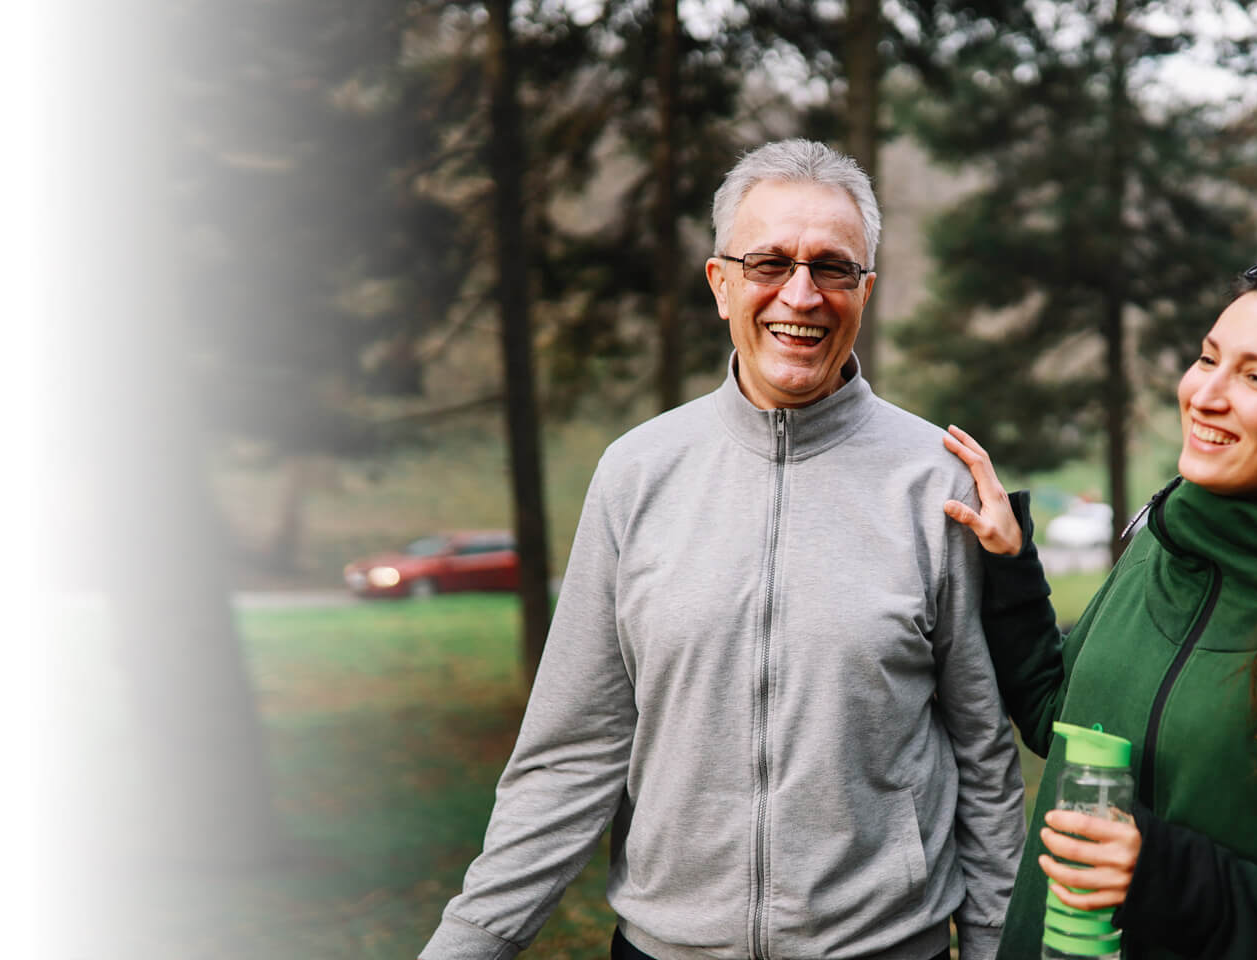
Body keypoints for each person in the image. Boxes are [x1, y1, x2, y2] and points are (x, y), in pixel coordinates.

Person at [420, 139, 1027, 960]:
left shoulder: (935, 482)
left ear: (865, 292)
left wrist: (995, 945)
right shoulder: (637, 472)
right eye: (770, 262)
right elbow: (571, 754)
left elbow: (984, 759)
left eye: (834, 268)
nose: (801, 295)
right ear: (722, 284)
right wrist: (467, 945)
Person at [938, 260, 1257, 959]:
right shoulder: (1160, 547)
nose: (1206, 394)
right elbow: (1059, 720)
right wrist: (1009, 568)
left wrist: (1172, 879)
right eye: (1208, 359)